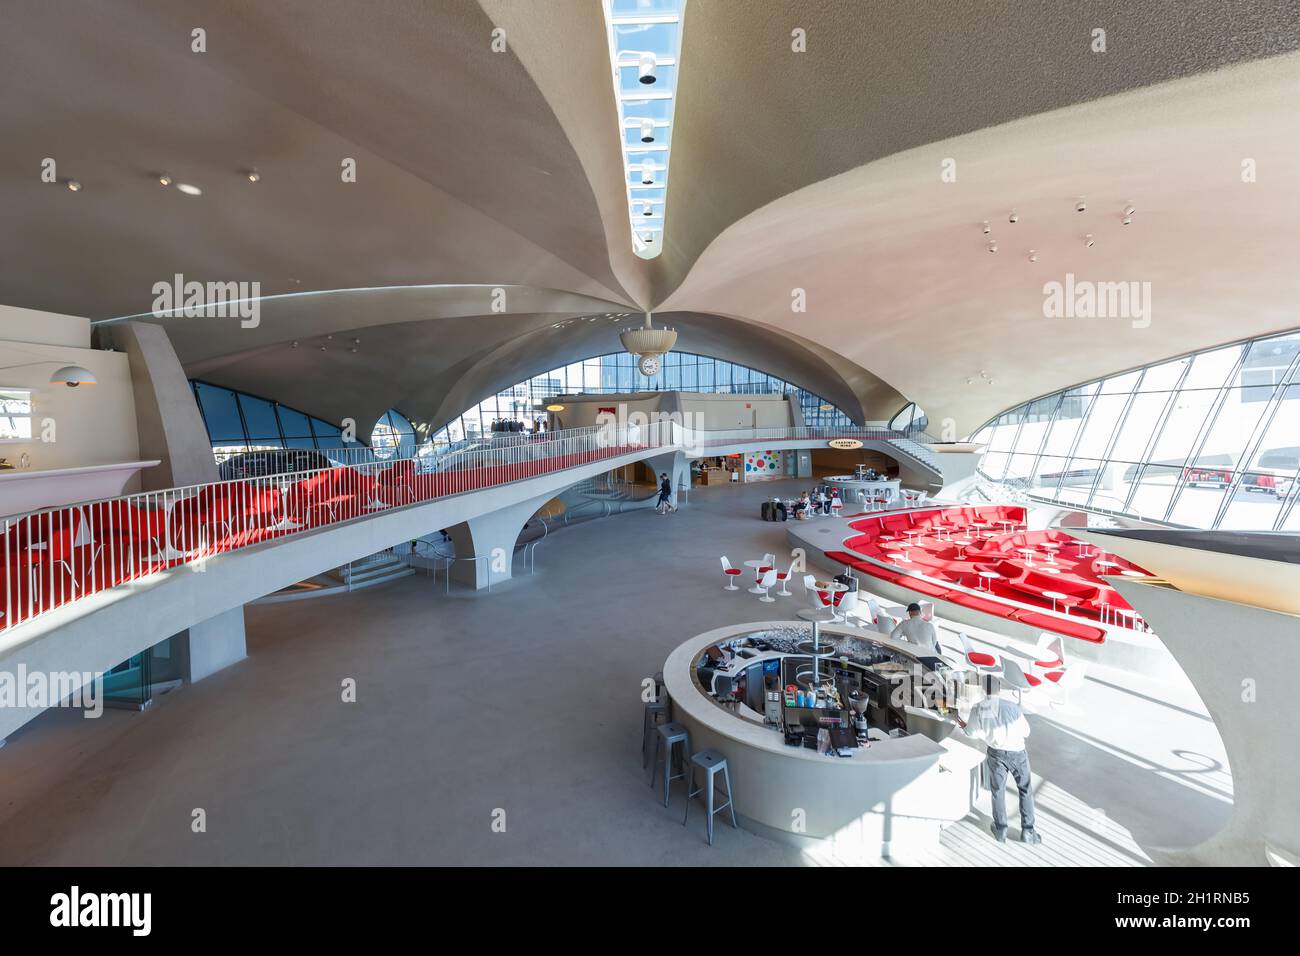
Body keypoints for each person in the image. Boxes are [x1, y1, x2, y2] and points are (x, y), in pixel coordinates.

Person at [959, 675, 1041, 845]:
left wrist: (968, 726)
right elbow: (1026, 732)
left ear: (983, 689)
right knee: (1025, 790)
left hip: (996, 754)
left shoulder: (979, 708)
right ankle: (1028, 831)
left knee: (998, 791)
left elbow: (971, 733)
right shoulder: (1012, 707)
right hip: (1018, 753)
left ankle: (1001, 829)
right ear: (1000, 689)